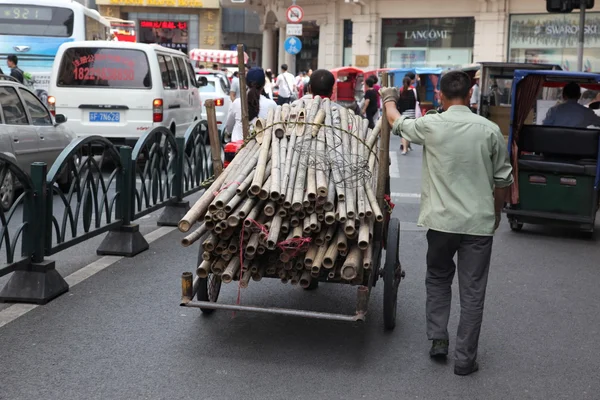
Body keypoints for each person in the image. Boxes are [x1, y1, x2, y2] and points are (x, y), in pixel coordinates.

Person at [380, 70, 514, 376]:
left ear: (440, 96)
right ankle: (465, 359)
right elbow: (503, 180)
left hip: (441, 223)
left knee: (438, 279)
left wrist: (388, 100)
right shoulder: (490, 130)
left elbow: (396, 122)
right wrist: (494, 215)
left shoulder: (432, 124)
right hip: (478, 225)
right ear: (470, 96)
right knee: (473, 291)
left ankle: (438, 340)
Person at [224, 68, 277, 142]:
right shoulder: (272, 105)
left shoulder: (237, 103)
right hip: (263, 147)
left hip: (238, 147)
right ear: (264, 83)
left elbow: (229, 128)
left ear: (246, 83)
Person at [396, 76, 418, 155]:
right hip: (412, 113)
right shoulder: (414, 91)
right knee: (409, 131)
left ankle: (405, 148)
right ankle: (407, 146)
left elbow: (398, 104)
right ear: (410, 83)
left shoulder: (401, 91)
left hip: (404, 114)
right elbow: (417, 101)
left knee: (404, 131)